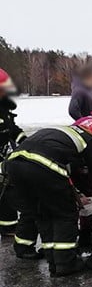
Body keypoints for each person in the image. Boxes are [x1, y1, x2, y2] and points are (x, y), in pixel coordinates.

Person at [5, 116, 92, 276]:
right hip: (42, 166)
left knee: (43, 214)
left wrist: (83, 191)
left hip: (14, 166)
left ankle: (53, 261)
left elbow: (74, 172)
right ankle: (66, 263)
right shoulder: (89, 140)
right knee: (64, 215)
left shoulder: (61, 132)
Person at [0, 68, 27, 241]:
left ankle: (8, 225)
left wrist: (25, 141)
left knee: (8, 188)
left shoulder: (4, 108)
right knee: (5, 189)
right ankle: (7, 226)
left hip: (4, 156)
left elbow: (12, 129)